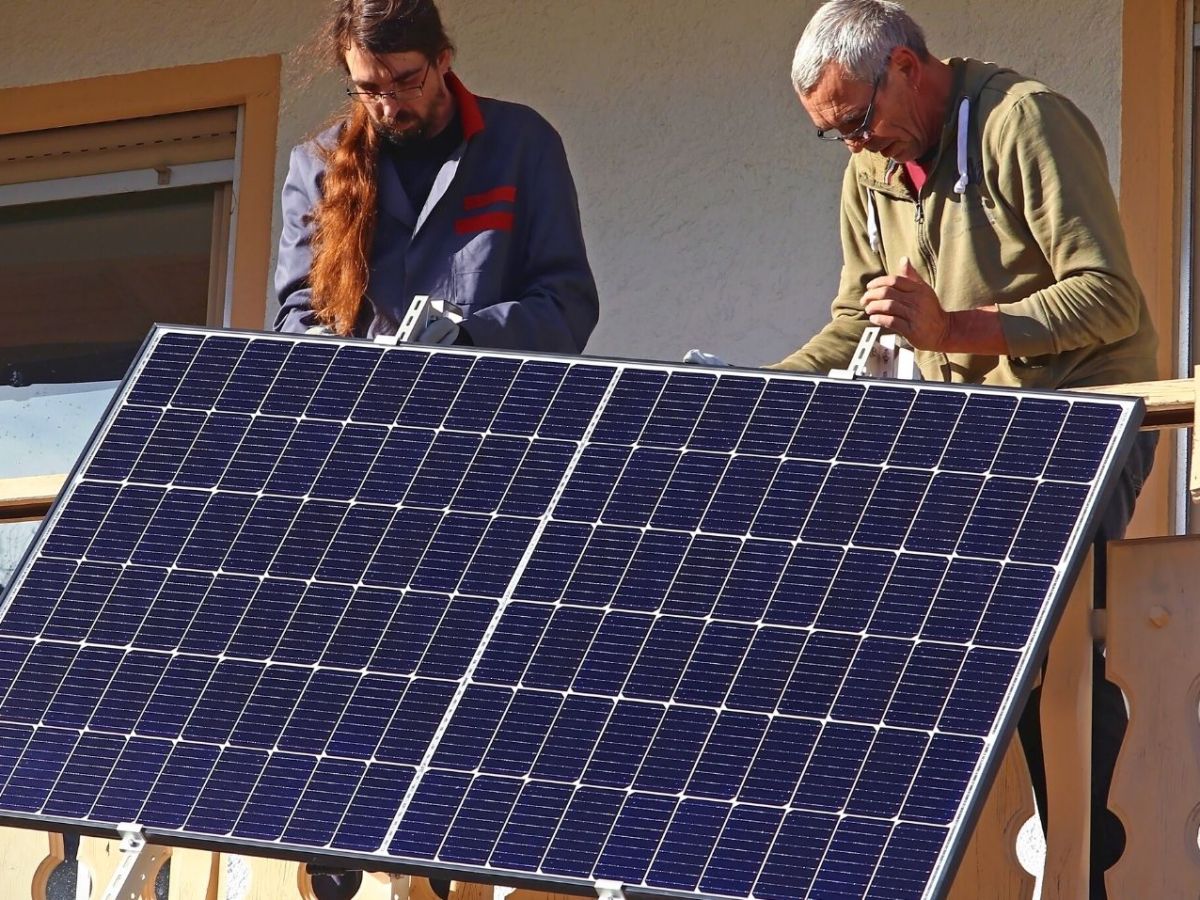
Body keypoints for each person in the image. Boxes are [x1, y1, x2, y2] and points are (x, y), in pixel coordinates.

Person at [775, 1, 1157, 896]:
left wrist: (956, 329)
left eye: (859, 121)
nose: (857, 148)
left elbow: (1110, 299)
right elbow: (850, 321)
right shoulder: (869, 171)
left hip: (1079, 421)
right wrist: (754, 390)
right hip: (969, 441)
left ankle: (1080, 855)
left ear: (907, 66)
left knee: (1034, 634)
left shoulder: (1026, 121)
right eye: (833, 136)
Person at [274, 0, 598, 352]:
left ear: (442, 59)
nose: (388, 106)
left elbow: (566, 304)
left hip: (490, 398)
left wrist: (472, 336)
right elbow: (299, 311)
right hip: (358, 402)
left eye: (406, 81)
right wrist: (315, 349)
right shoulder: (316, 167)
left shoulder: (524, 144)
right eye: (368, 88)